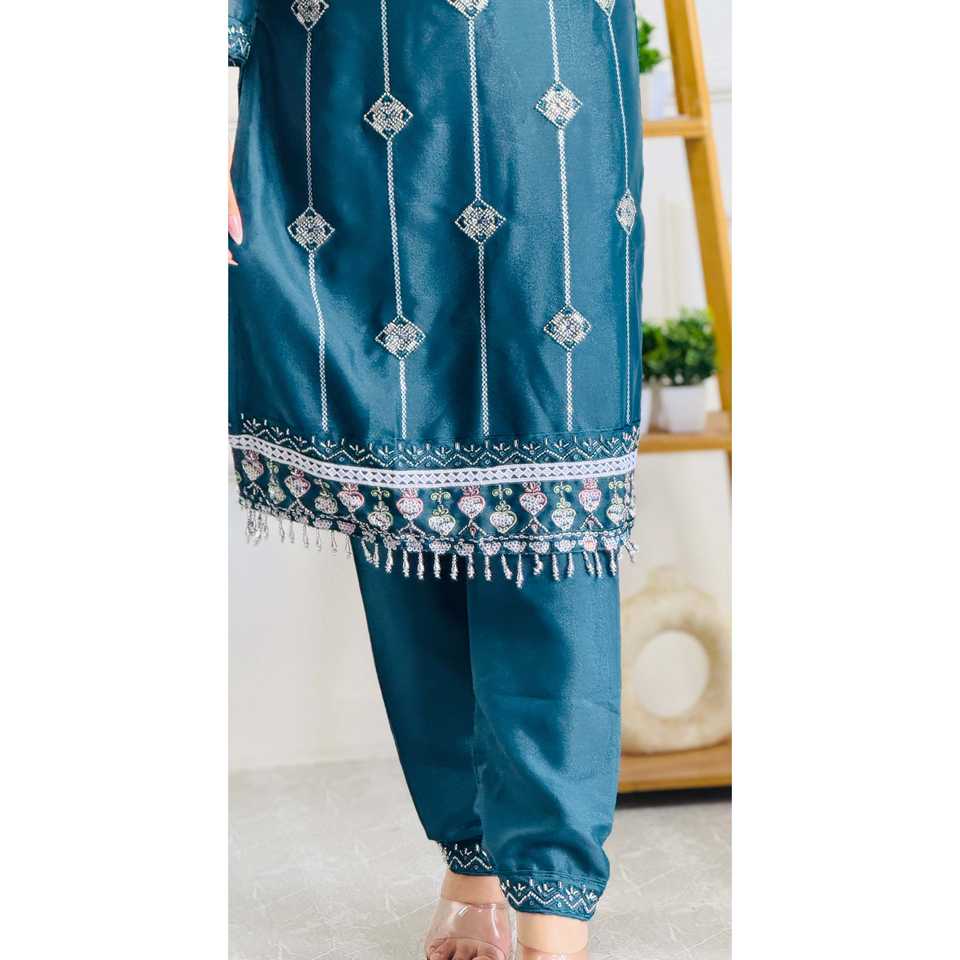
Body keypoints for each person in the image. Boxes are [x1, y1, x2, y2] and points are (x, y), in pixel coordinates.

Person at [228, 1, 644, 956]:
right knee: (394, 481)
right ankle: (472, 859)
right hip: (344, 79)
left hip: (547, 75)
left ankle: (553, 911)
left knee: (553, 490)